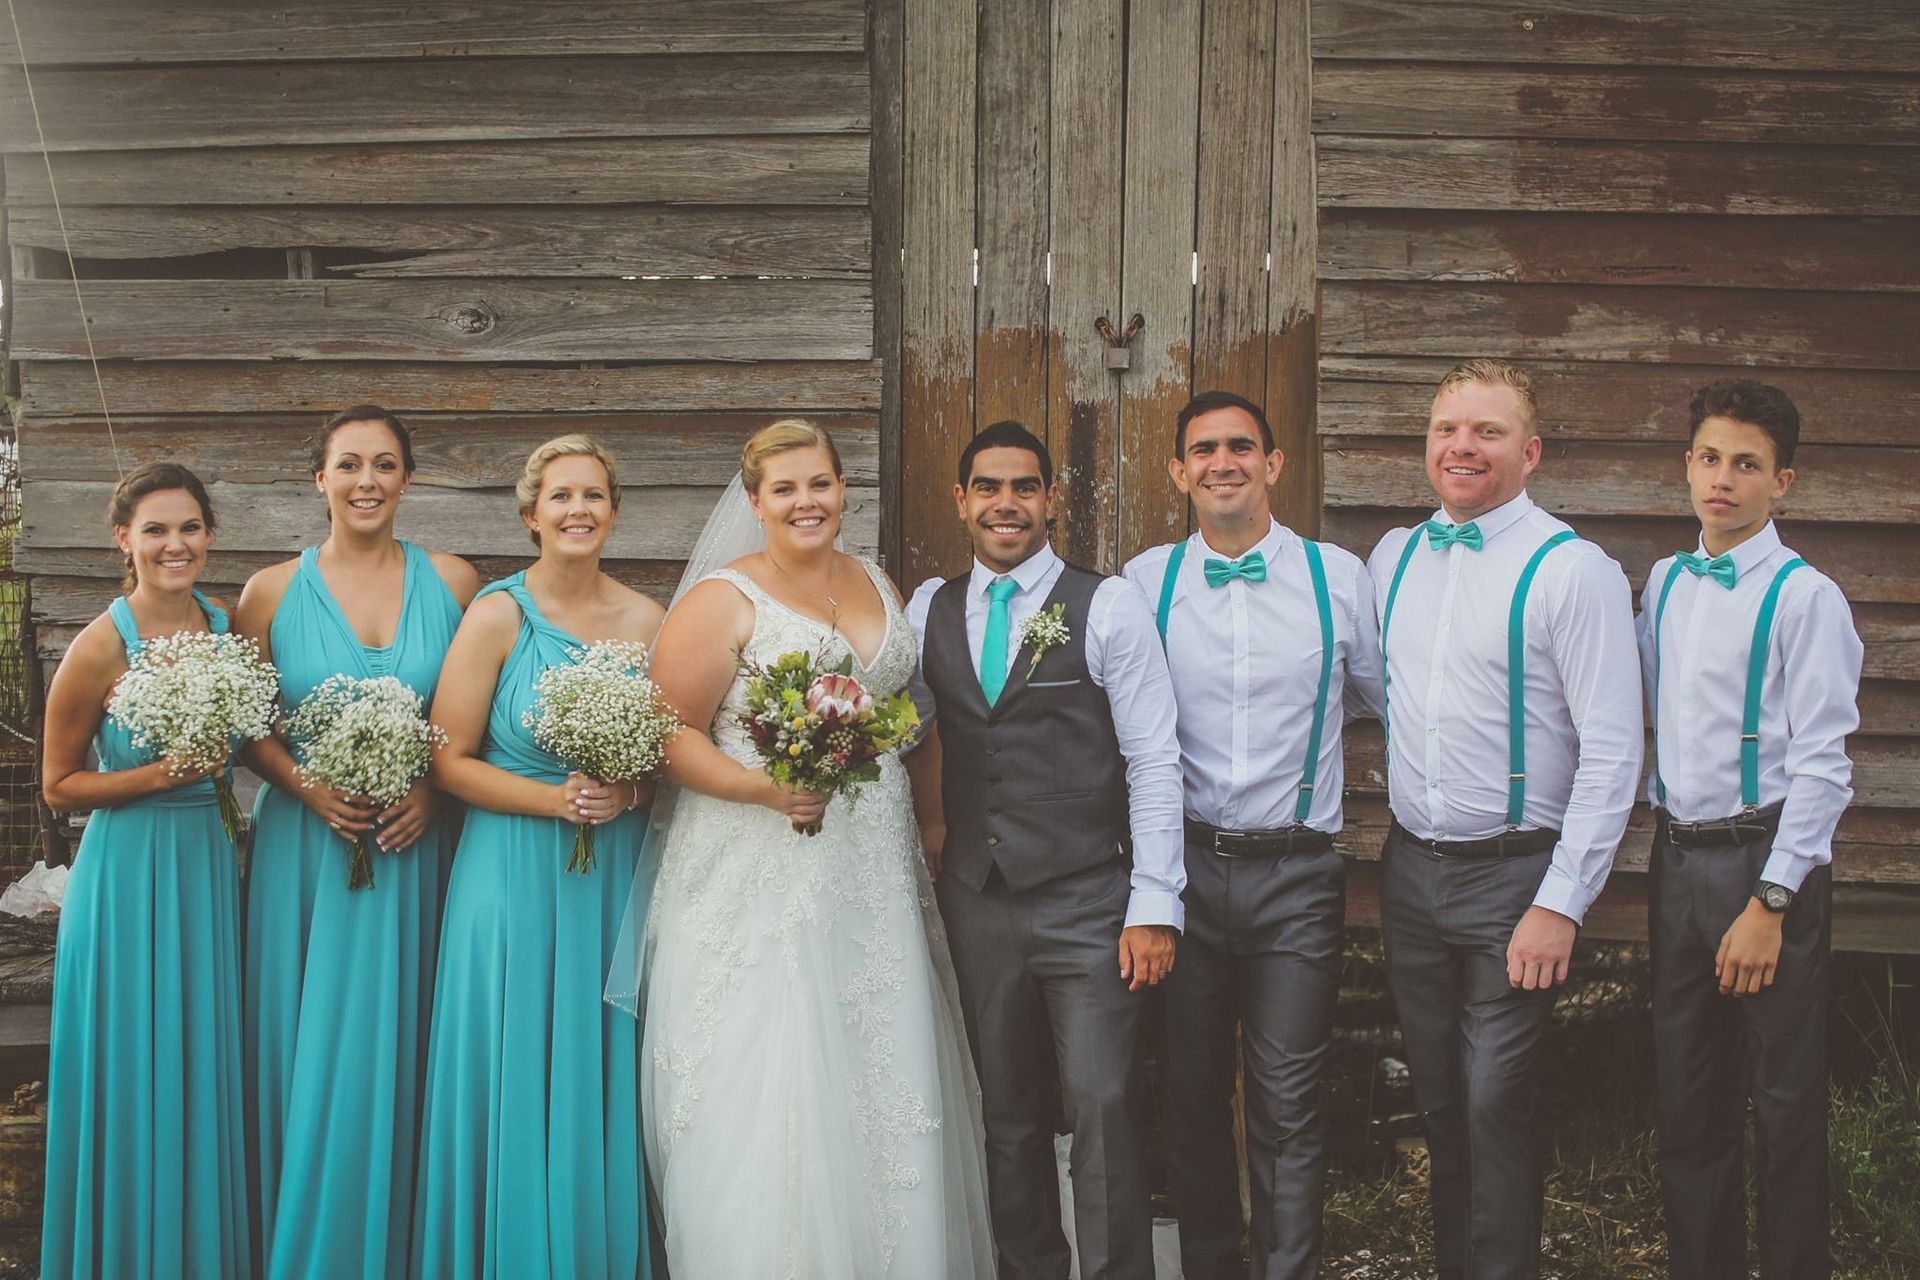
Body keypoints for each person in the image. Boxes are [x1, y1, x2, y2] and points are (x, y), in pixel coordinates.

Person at [636, 418, 993, 1278]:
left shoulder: (874, 579)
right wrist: (764, 787)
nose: (807, 502)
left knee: (877, 1062)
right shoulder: (724, 599)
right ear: (754, 502)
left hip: (866, 866)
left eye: (820, 484)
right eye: (786, 489)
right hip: (757, 865)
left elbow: (916, 719)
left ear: (843, 490)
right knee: (773, 1074)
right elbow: (667, 732)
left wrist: (934, 821)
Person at [1365, 359, 1642, 1280]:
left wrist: (1561, 902)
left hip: (1516, 878)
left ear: (1530, 453)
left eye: (1486, 432)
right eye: (1448, 429)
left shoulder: (1574, 572)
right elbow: (1378, 693)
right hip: (1410, 872)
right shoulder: (1393, 557)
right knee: (1440, 1101)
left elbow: (1612, 752)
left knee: (1495, 1099)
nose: (1462, 447)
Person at [908, 419, 1185, 1280]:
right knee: (1008, 1109)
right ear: (961, 501)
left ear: (1051, 499)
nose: (1006, 503)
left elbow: (1154, 756)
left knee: (1101, 1101)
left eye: (1024, 487)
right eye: (988, 487)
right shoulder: (930, 607)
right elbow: (899, 730)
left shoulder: (1107, 604)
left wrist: (1154, 901)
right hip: (978, 897)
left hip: (1088, 899)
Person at [1122, 390, 1382, 1280]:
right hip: (1184, 870)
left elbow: (1379, 698)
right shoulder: (1143, 582)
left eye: (1241, 446)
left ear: (1274, 464)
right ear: (1177, 471)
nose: (1221, 462)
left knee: (1287, 1104)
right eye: (1203, 449)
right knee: (1190, 1098)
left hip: (1297, 874)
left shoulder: (1338, 579)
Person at [413, 435, 664, 1278]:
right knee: (510, 1061)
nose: (578, 510)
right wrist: (556, 799)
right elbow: (448, 760)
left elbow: (669, 761)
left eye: (593, 495)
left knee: (599, 1061)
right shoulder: (497, 614)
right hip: (509, 871)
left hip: (610, 878)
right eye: (560, 497)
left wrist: (624, 796)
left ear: (615, 512)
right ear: (531, 516)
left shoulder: (649, 622)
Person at [235, 406, 475, 1278]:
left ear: (409, 479)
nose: (366, 481)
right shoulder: (266, 591)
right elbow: (248, 724)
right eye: (349, 465)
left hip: (416, 851)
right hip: (305, 853)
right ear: (320, 480)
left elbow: (468, 720)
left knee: (408, 1049)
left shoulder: (453, 583)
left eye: (384, 465)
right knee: (309, 1049)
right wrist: (302, 783)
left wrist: (434, 795)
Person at [1640, 379, 1860, 1280]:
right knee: (1687, 1102)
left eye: (1746, 464)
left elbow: (1824, 765)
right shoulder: (1662, 583)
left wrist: (1772, 897)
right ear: (1687, 465)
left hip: (1767, 865)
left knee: (1784, 1104)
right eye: (1708, 457)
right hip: (1677, 859)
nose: (1722, 479)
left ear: (1784, 482)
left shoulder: (1809, 599)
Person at [40, 463, 250, 1278]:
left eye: (190, 527)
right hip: (126, 873)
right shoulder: (101, 644)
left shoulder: (226, 628)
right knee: (131, 1064)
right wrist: (160, 774)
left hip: (204, 865)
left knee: (199, 1059)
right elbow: (58, 787)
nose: (175, 544)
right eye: (156, 529)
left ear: (209, 535)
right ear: (123, 539)